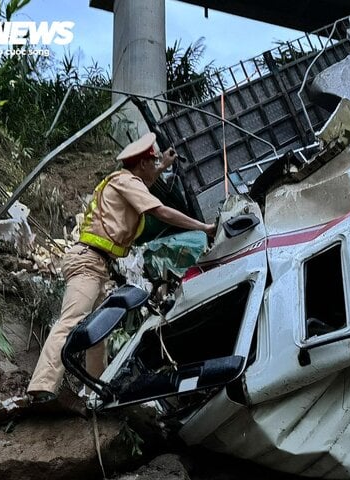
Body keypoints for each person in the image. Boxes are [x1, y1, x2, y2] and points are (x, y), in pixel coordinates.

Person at [27, 132, 215, 401]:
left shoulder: (126, 181)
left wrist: (162, 164)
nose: (156, 168)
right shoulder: (126, 181)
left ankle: (94, 391)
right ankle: (41, 388)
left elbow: (145, 183)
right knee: (72, 321)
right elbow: (159, 210)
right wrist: (203, 227)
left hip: (97, 264)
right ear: (141, 165)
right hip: (88, 261)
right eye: (153, 163)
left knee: (98, 333)